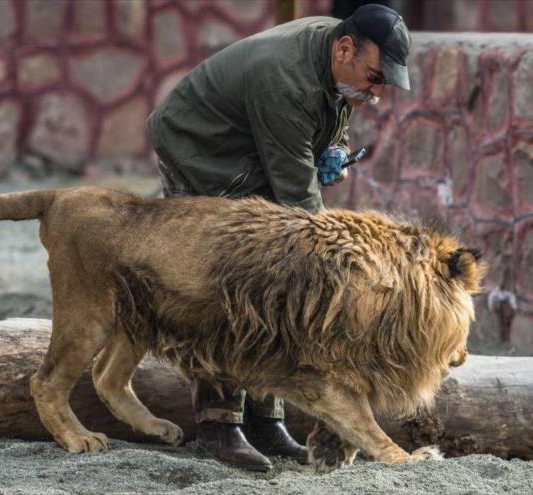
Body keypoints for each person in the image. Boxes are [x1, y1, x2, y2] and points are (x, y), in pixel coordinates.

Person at [146, 3, 411, 472]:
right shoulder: (284, 80)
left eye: (383, 83)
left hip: (250, 146)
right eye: (375, 78)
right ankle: (219, 425)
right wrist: (342, 261)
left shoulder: (337, 54)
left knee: (276, 284)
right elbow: (298, 202)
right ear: (346, 48)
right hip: (201, 147)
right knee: (226, 281)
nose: (377, 92)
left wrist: (333, 149)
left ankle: (266, 421)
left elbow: (328, 120)